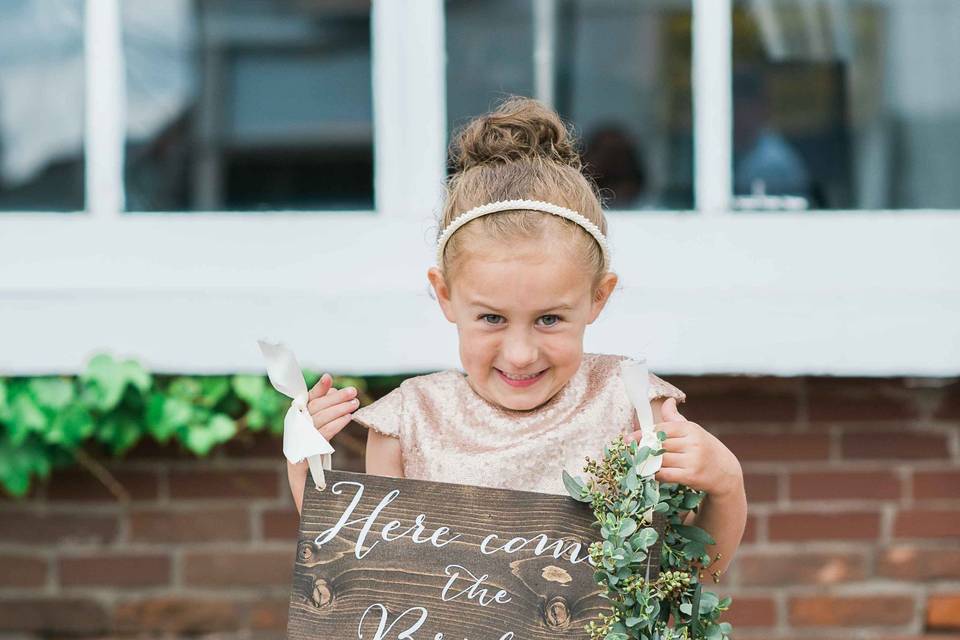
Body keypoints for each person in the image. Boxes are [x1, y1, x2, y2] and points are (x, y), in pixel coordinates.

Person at [286, 97, 746, 580]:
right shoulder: (408, 425)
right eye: (491, 319)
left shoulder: (631, 407)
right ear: (444, 295)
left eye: (549, 319)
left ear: (598, 297)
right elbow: (377, 577)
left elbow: (691, 575)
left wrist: (725, 483)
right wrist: (307, 465)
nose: (521, 354)